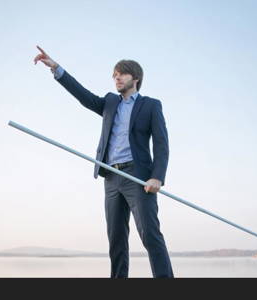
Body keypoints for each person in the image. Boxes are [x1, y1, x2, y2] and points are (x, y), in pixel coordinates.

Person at [33, 46, 174, 278]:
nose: (116, 77)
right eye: (114, 75)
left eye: (122, 74)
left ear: (135, 78)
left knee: (150, 234)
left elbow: (161, 144)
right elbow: (83, 96)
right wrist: (57, 69)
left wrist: (157, 176)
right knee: (116, 239)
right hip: (110, 177)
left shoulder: (150, 105)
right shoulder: (110, 102)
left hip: (138, 177)